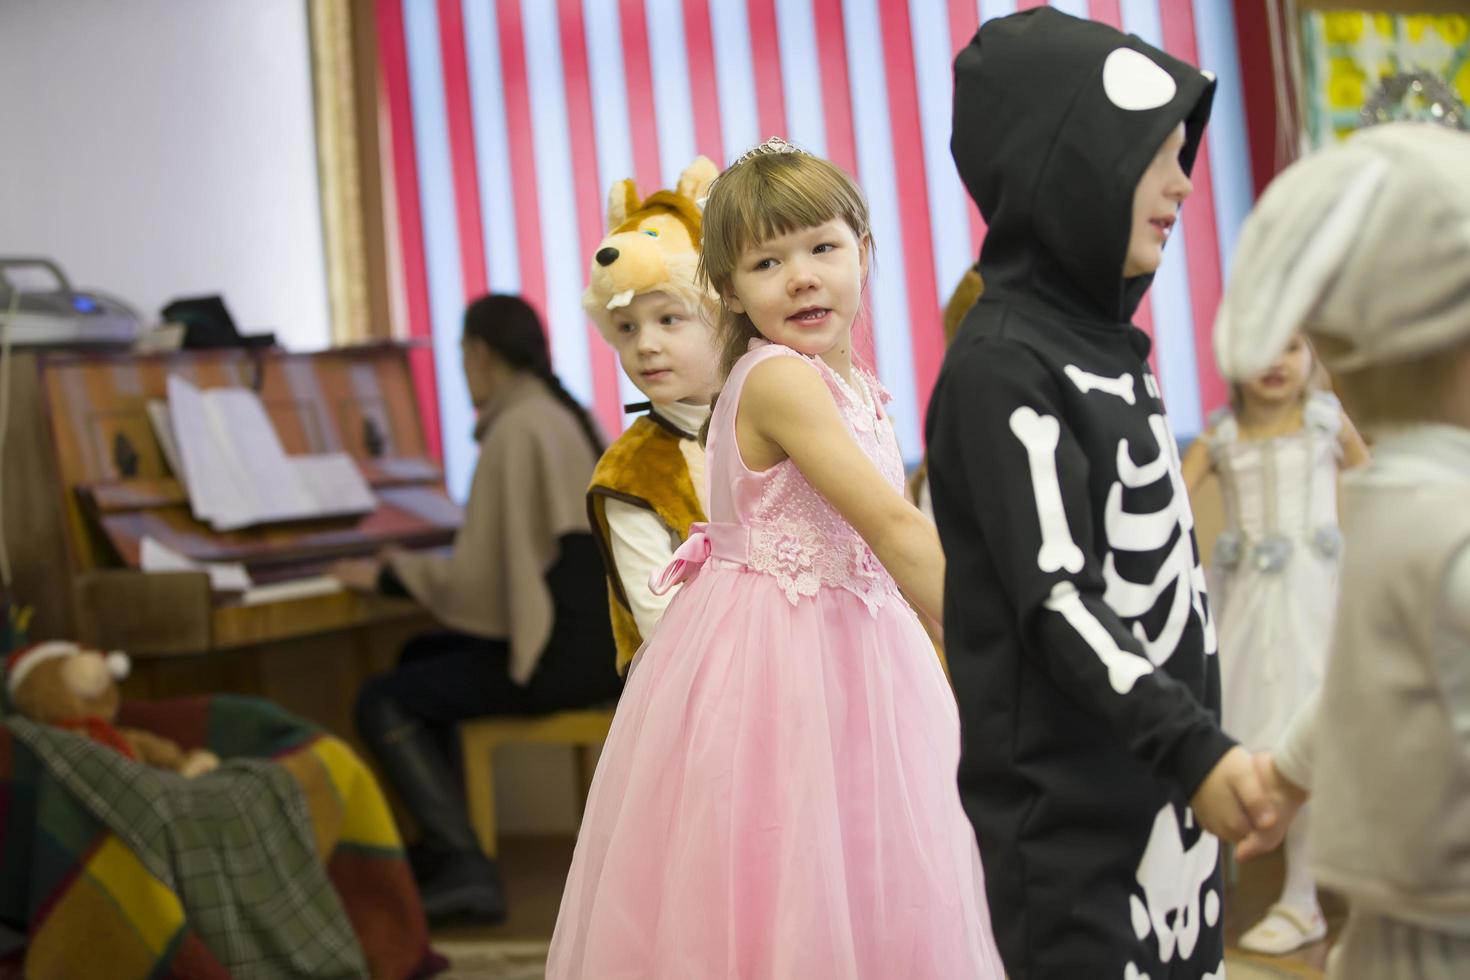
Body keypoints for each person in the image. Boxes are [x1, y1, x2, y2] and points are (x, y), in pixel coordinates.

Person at [546, 139, 1003, 978]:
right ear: (726, 290)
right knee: (783, 875)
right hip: (778, 660)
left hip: (862, 646)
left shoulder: (856, 381)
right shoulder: (779, 381)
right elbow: (896, 530)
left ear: (863, 254)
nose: (801, 276)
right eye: (767, 261)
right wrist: (1005, 656)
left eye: (823, 248)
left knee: (876, 868)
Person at [927, 9, 1274, 977]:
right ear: (1065, 163)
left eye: (1183, 153)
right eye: (1151, 156)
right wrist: (1194, 747)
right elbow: (1058, 597)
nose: (1182, 183)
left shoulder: (1113, 351)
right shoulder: (1002, 366)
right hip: (1074, 828)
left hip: (1163, 801)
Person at [1220, 121, 1470, 980]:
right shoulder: (1432, 508)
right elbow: (1359, 684)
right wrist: (1288, 775)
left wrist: (1286, 776)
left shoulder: (1412, 501)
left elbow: (1357, 680)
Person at [332, 294, 621, 924]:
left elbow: (479, 584)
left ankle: (463, 863)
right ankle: (443, 846)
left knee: (382, 697)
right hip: (597, 649)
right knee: (416, 657)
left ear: (479, 353)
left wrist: (385, 575)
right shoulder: (558, 413)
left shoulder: (517, 429)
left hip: (563, 662)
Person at [1179, 334, 1366, 954]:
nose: (1276, 362)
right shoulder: (1224, 436)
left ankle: (1314, 896)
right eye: (1260, 345)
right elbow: (1171, 491)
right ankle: (1287, 892)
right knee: (1261, 734)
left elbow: (1373, 480)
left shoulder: (1325, 422)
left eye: (1290, 346)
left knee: (1324, 736)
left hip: (1320, 601)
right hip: (1251, 609)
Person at [582, 157, 721, 674]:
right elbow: (663, 626)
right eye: (626, 328)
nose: (647, 345)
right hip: (698, 691)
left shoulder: (777, 416)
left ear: (721, 312)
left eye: (669, 318)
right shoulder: (630, 474)